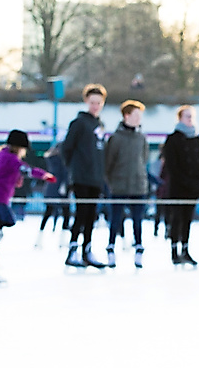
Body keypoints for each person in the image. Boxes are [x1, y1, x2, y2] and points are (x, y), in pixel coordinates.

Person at [0, 130, 55, 282]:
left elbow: (1, 174)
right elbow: (27, 170)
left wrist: (14, 178)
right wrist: (44, 175)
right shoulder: (12, 159)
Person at [61, 83, 109, 268]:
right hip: (81, 177)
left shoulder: (100, 125)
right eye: (92, 102)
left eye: (98, 102)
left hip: (96, 178)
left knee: (91, 216)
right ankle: (72, 250)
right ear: (86, 102)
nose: (95, 105)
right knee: (80, 214)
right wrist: (74, 169)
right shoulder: (79, 123)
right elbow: (67, 148)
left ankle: (87, 250)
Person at [103, 100, 150, 269]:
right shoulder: (115, 139)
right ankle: (111, 248)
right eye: (136, 115)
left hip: (138, 185)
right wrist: (111, 181)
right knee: (115, 219)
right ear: (127, 116)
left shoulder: (141, 138)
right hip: (119, 185)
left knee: (138, 220)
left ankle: (138, 248)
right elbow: (109, 162)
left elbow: (144, 159)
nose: (139, 118)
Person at [162, 105, 199, 266]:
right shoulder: (173, 139)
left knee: (188, 219)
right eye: (186, 116)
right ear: (180, 118)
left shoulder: (196, 138)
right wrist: (185, 181)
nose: (190, 119)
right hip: (178, 187)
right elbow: (172, 166)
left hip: (193, 188)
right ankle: (174, 250)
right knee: (177, 218)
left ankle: (185, 249)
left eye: (191, 116)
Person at [35, 143, 71, 249]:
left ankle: (39, 239)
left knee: (48, 213)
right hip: (60, 188)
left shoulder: (51, 158)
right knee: (65, 214)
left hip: (51, 188)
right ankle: (62, 241)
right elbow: (65, 173)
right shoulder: (62, 160)